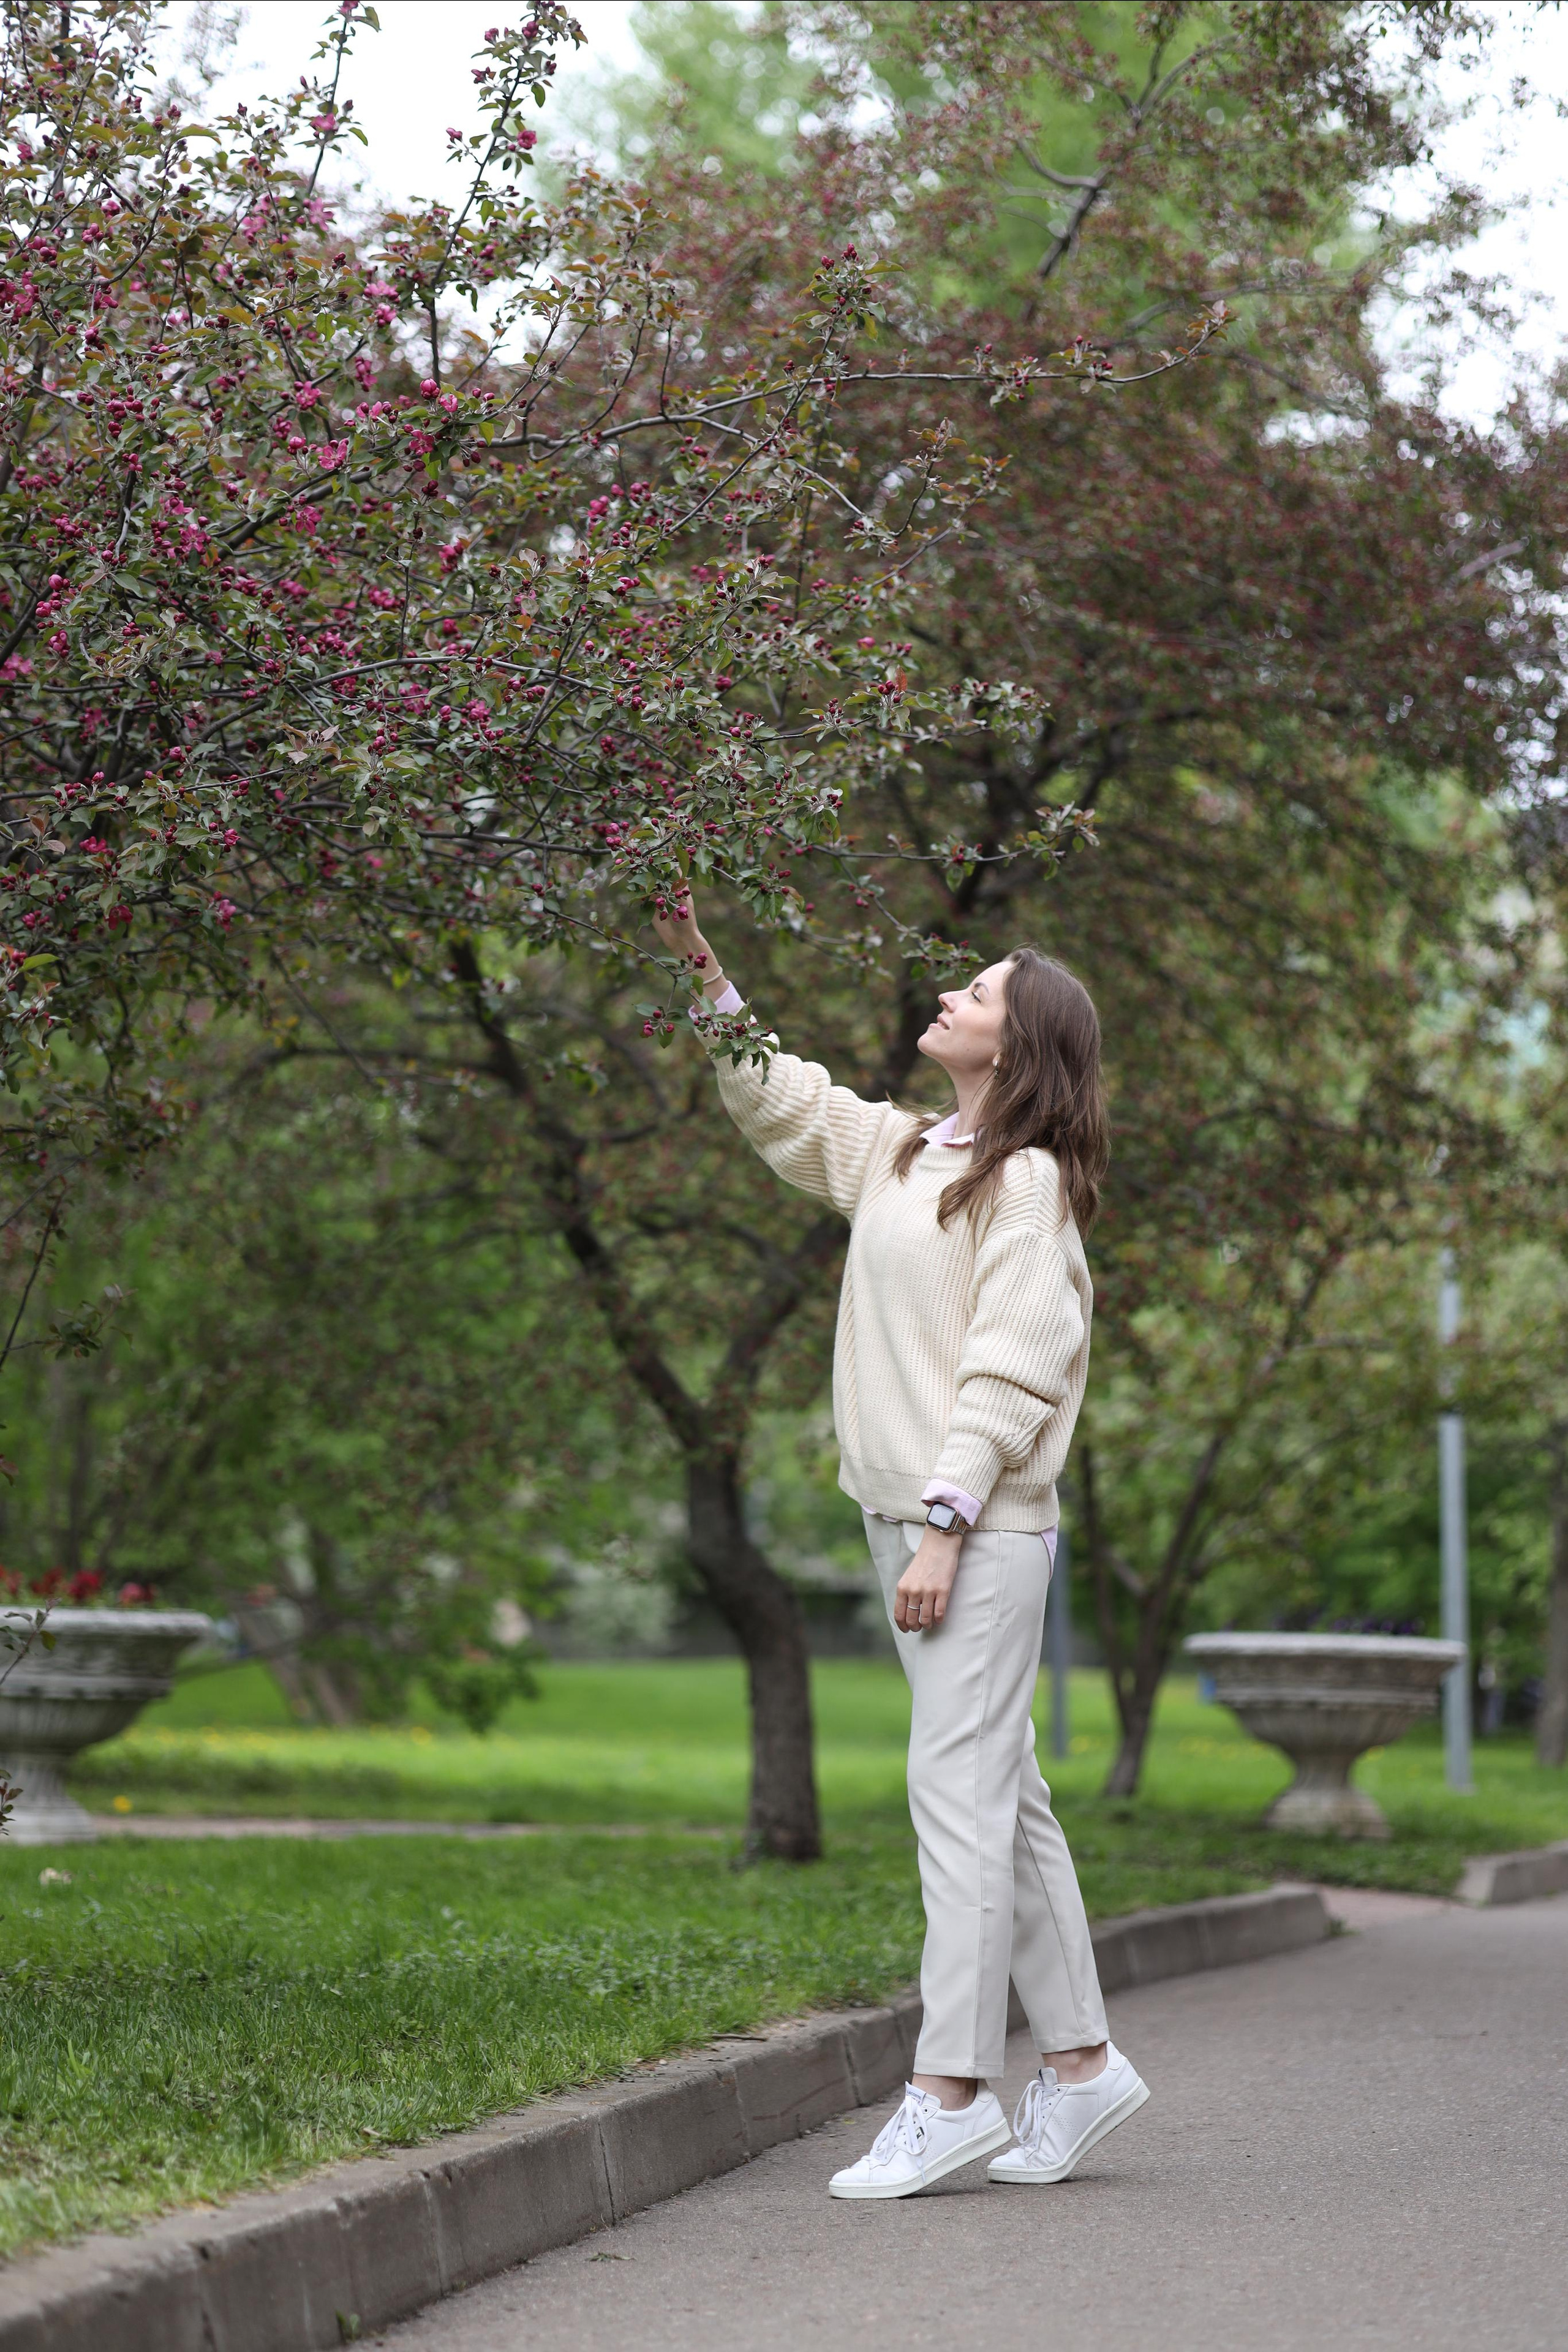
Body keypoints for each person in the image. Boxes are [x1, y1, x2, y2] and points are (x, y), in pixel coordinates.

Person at [651, 890, 1149, 2202]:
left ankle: (949, 2092)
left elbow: (1009, 1368)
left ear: (1016, 1043)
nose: (950, 998)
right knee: (1006, 1794)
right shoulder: (900, 1151)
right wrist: (696, 957)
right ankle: (1085, 2066)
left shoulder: (1027, 1184)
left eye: (976, 995)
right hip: (909, 1523)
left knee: (958, 1798)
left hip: (970, 1532)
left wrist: (942, 1526)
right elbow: (781, 1099)